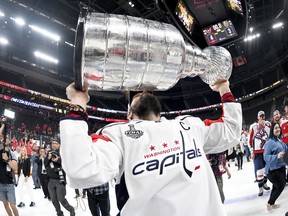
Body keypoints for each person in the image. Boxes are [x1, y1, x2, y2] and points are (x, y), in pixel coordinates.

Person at [60, 80, 242, 216]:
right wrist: (78, 102)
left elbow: (231, 132)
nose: (141, 92)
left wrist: (223, 88)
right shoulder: (118, 135)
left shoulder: (189, 126)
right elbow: (81, 168)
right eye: (135, 96)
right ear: (129, 115)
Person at [44, 139, 75, 216]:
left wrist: (58, 160)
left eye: (55, 143)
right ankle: (59, 213)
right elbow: (45, 164)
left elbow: (67, 164)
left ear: (59, 144)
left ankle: (71, 209)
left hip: (59, 180)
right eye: (52, 143)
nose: (53, 145)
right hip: (50, 180)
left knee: (61, 199)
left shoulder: (63, 153)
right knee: (54, 200)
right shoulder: (49, 152)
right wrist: (48, 158)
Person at [263, 122, 287, 212]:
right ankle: (269, 203)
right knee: (280, 185)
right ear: (272, 130)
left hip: (281, 168)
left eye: (279, 128)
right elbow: (265, 157)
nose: (278, 129)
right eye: (275, 128)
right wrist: (276, 156)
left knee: (275, 187)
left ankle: (271, 203)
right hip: (273, 170)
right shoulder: (270, 142)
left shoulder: (279, 140)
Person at [249, 110, 271, 196]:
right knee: (259, 170)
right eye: (260, 116)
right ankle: (260, 187)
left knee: (266, 169)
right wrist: (251, 151)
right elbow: (250, 140)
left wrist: (264, 125)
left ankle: (265, 183)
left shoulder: (268, 125)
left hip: (266, 151)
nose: (262, 117)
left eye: (263, 116)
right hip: (257, 152)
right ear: (258, 117)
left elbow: (270, 136)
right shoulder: (253, 127)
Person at [0, 121, 19, 216]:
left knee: (13, 205)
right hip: (0, 183)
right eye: (3, 138)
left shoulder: (12, 153)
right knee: (5, 204)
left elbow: (15, 168)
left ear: (9, 141)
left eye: (6, 138)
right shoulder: (0, 150)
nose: (4, 140)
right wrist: (3, 125)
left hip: (9, 183)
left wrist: (7, 160)